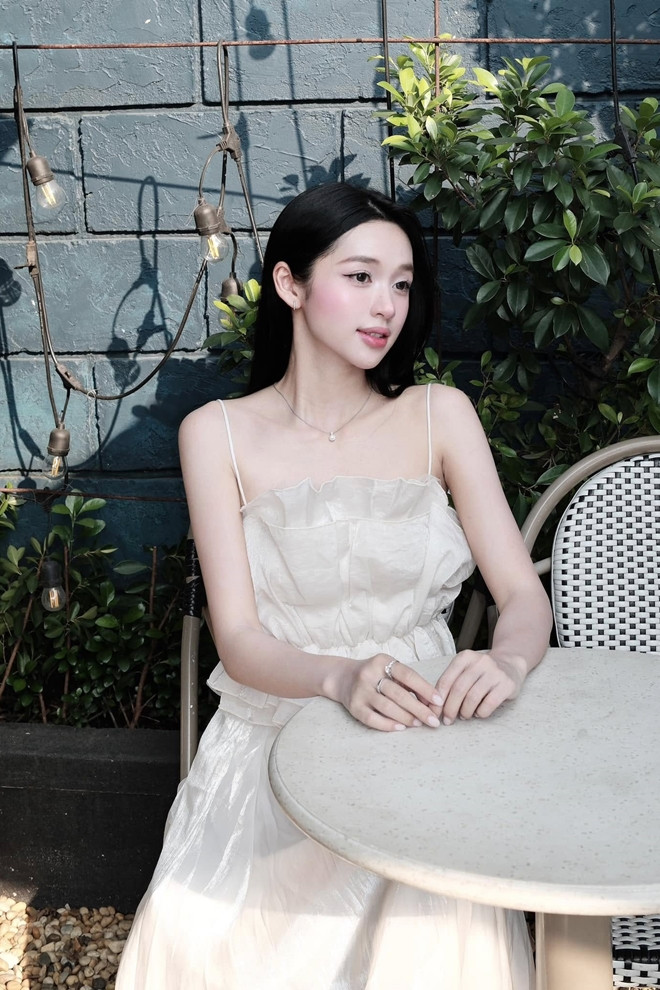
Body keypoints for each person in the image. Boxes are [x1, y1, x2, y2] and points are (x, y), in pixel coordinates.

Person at [116, 182, 552, 989]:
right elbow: (238, 638)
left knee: (429, 944)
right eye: (360, 277)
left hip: (419, 734)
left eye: (402, 283)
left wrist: (508, 661)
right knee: (218, 945)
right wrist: (339, 677)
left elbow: (523, 597)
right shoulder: (217, 434)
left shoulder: (439, 414)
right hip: (272, 739)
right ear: (289, 283)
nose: (387, 305)